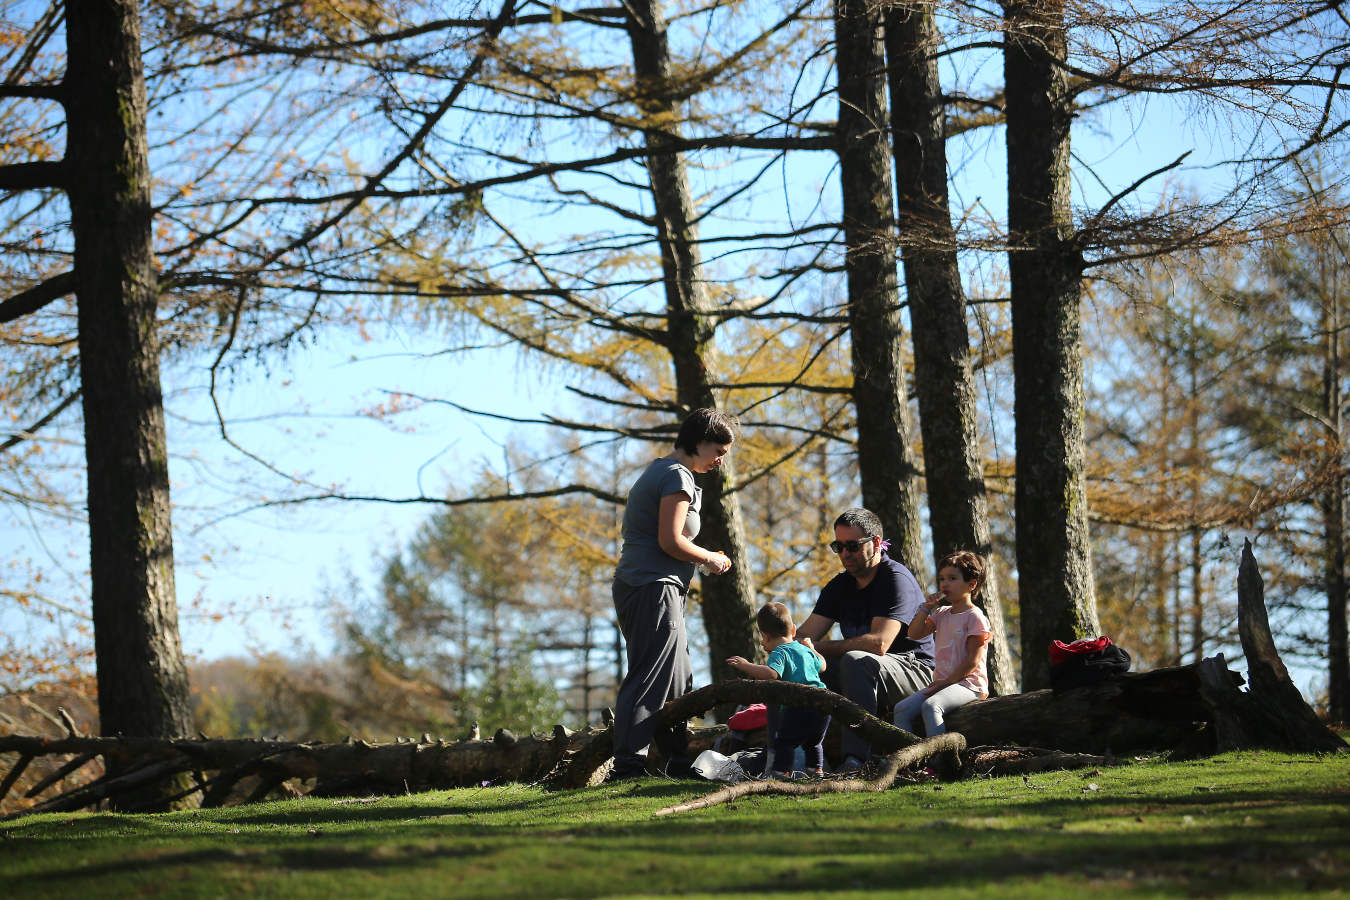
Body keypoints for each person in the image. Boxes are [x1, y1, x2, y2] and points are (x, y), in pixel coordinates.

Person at [609, 407, 738, 781]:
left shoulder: (663, 471)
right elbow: (670, 540)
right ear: (698, 442)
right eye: (718, 451)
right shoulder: (676, 476)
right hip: (652, 586)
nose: (719, 461)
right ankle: (627, 765)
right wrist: (709, 557)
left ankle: (677, 761)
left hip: (656, 587)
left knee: (678, 678)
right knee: (650, 674)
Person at [795, 507, 934, 772]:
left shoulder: (895, 579)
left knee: (856, 660)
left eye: (852, 546)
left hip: (917, 672)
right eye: (839, 546)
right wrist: (787, 646)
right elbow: (804, 635)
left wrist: (817, 649)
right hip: (869, 674)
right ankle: (798, 759)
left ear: (877, 543)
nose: (845, 554)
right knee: (805, 665)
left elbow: (878, 644)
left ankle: (856, 761)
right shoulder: (839, 586)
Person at [892, 550, 992, 736]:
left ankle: (939, 761)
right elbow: (914, 633)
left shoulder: (975, 617)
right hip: (942, 684)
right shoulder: (941, 613)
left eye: (952, 578)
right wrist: (925, 608)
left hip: (969, 685)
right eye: (942, 579)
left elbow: (972, 660)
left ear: (971, 584)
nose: (945, 583)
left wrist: (946, 683)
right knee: (901, 709)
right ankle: (908, 761)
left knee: (932, 706)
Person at [726, 601, 830, 777]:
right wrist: (813, 649)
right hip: (823, 704)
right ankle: (816, 770)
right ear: (794, 630)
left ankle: (781, 772)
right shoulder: (805, 650)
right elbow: (823, 666)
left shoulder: (780, 652)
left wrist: (746, 665)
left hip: (799, 705)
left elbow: (771, 674)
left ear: (765, 636)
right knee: (813, 743)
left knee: (784, 742)